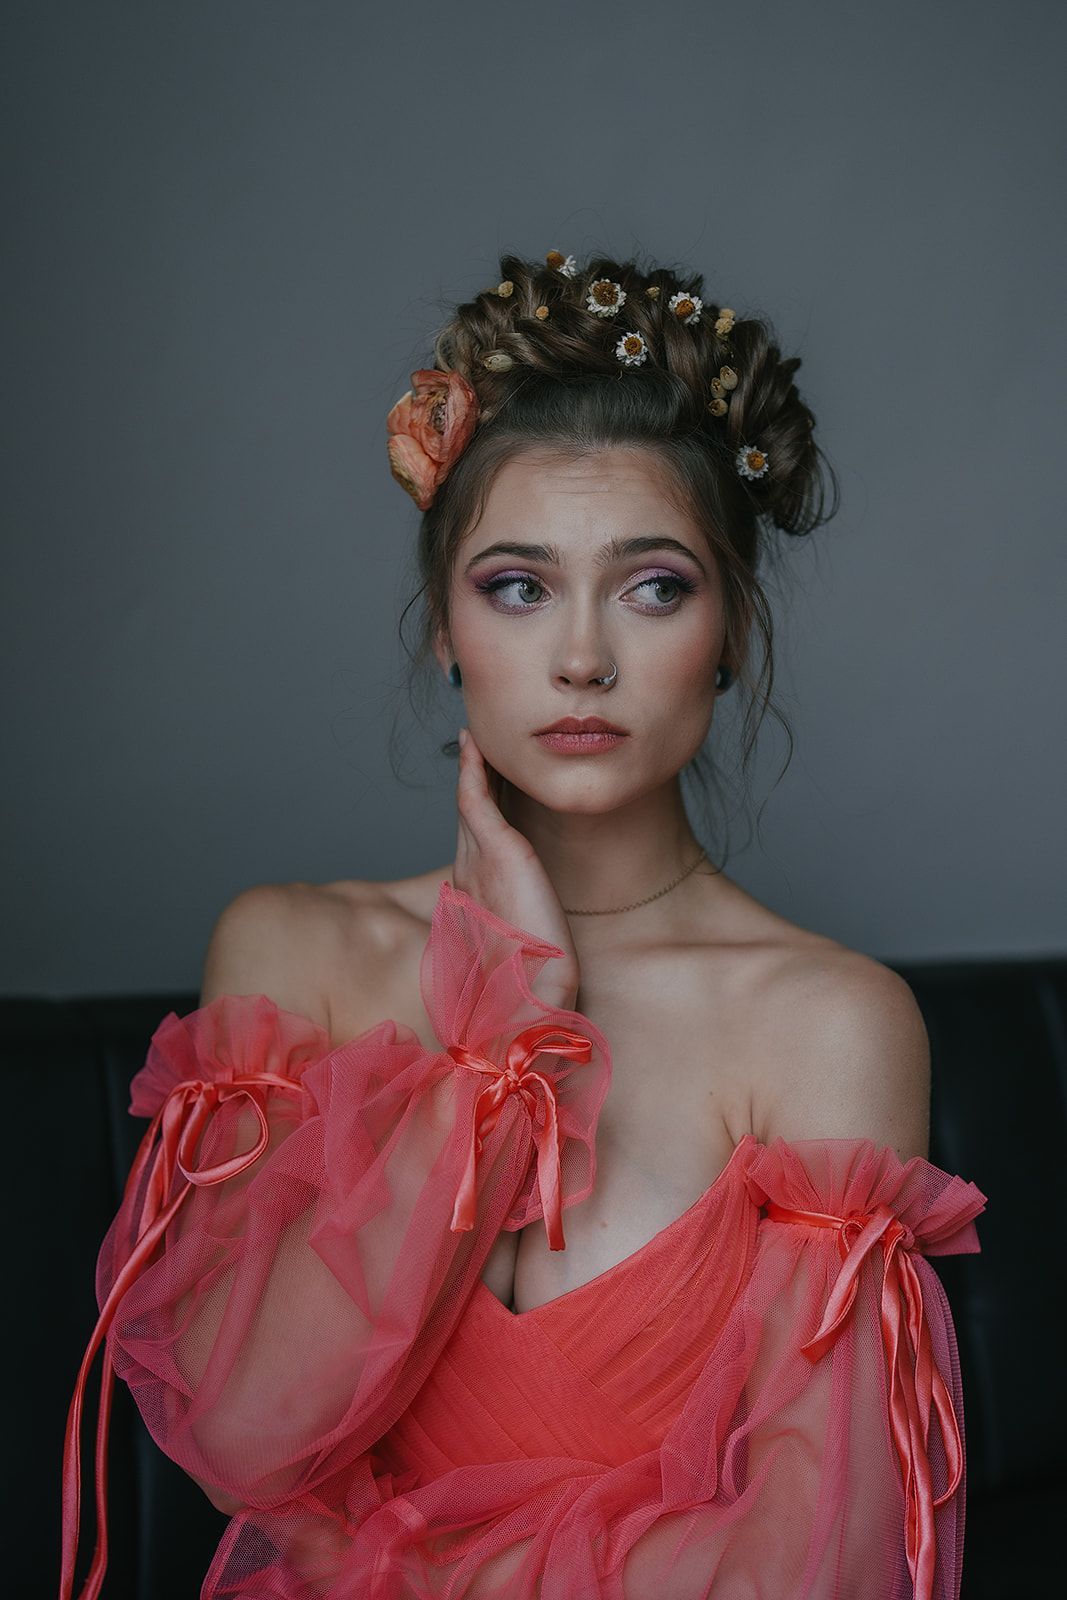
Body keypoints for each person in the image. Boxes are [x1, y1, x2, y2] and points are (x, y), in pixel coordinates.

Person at [60, 248, 988, 1599]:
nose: (582, 659)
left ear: (728, 628)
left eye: (653, 585)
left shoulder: (829, 1024)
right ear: (445, 626)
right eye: (518, 585)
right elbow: (249, 1436)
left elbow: (810, 1563)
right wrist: (503, 1032)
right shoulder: (290, 955)